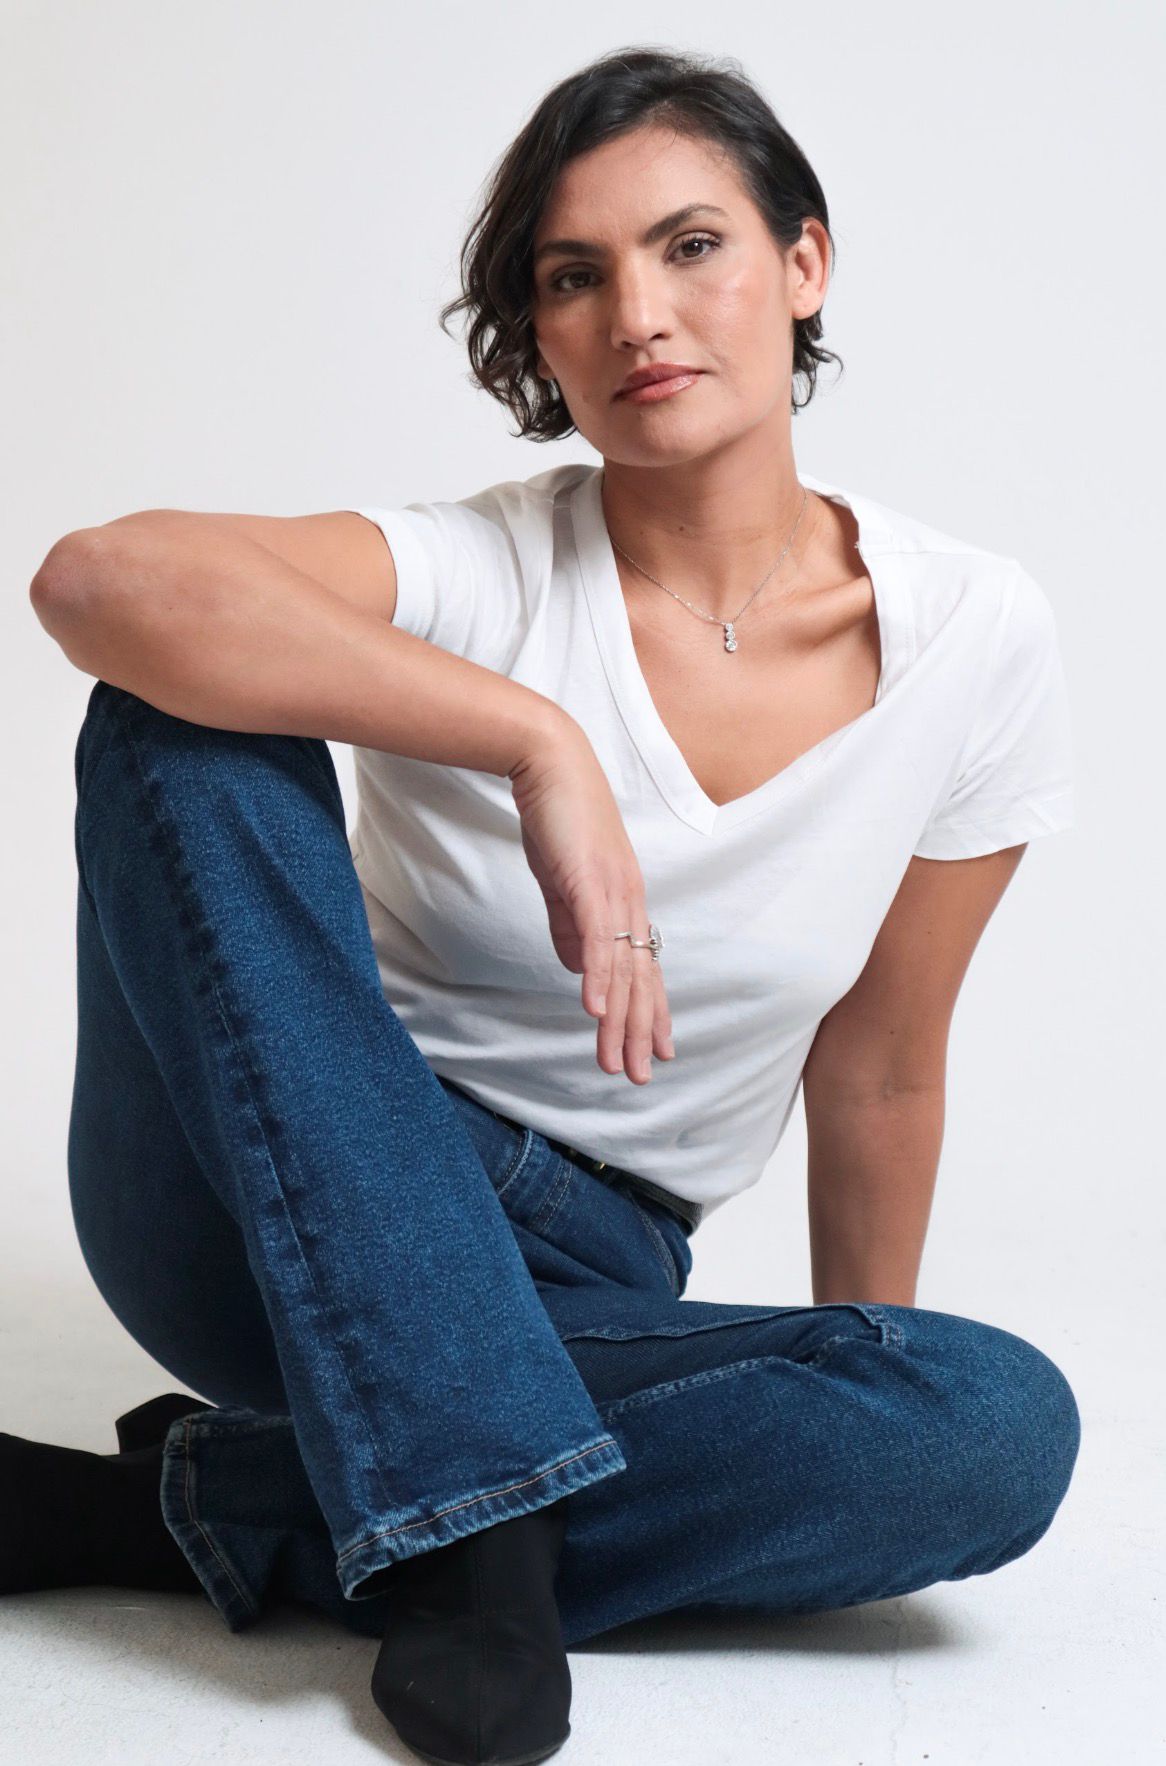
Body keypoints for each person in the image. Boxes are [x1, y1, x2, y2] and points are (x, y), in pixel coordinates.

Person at [12, 44, 1080, 1766]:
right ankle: (472, 1531)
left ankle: (162, 1510)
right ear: (540, 334)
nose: (636, 314)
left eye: (690, 246)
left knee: (984, 1420)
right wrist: (535, 740)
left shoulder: (974, 637)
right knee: (176, 717)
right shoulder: (488, 567)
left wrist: (857, 1358)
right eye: (573, 277)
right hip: (275, 1195)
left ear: (802, 263)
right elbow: (100, 577)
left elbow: (881, 1065)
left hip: (586, 1263)